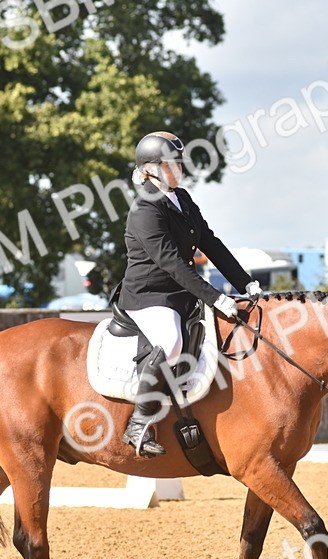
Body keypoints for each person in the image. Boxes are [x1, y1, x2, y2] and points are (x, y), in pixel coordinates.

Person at [119, 131, 262, 457]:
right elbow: (171, 262)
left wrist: (245, 283)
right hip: (149, 294)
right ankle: (139, 423)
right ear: (149, 171)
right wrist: (216, 297)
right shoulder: (145, 209)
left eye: (179, 164)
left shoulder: (181, 198)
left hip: (181, 292)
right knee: (171, 341)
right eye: (169, 164)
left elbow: (210, 242)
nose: (178, 170)